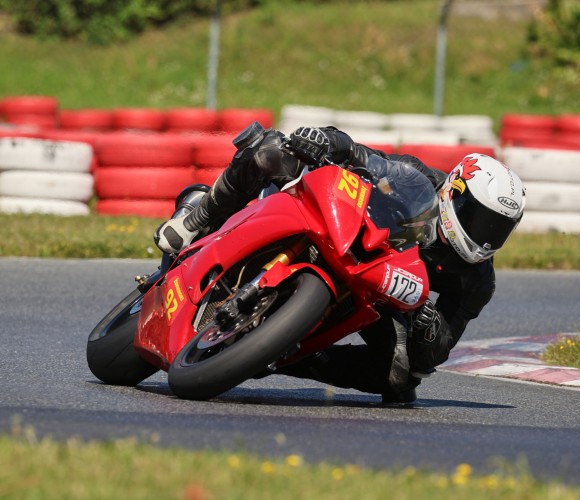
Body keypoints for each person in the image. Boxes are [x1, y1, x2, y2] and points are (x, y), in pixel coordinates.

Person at [155, 122, 526, 405]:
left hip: (381, 289)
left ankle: (281, 355)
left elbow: (438, 350)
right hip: (342, 227)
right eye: (480, 220)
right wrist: (328, 142)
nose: (487, 235)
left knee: (401, 378)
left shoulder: (477, 279)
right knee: (271, 149)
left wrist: (429, 328)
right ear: (455, 194)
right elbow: (364, 158)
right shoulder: (419, 180)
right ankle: (199, 216)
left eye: (499, 228)